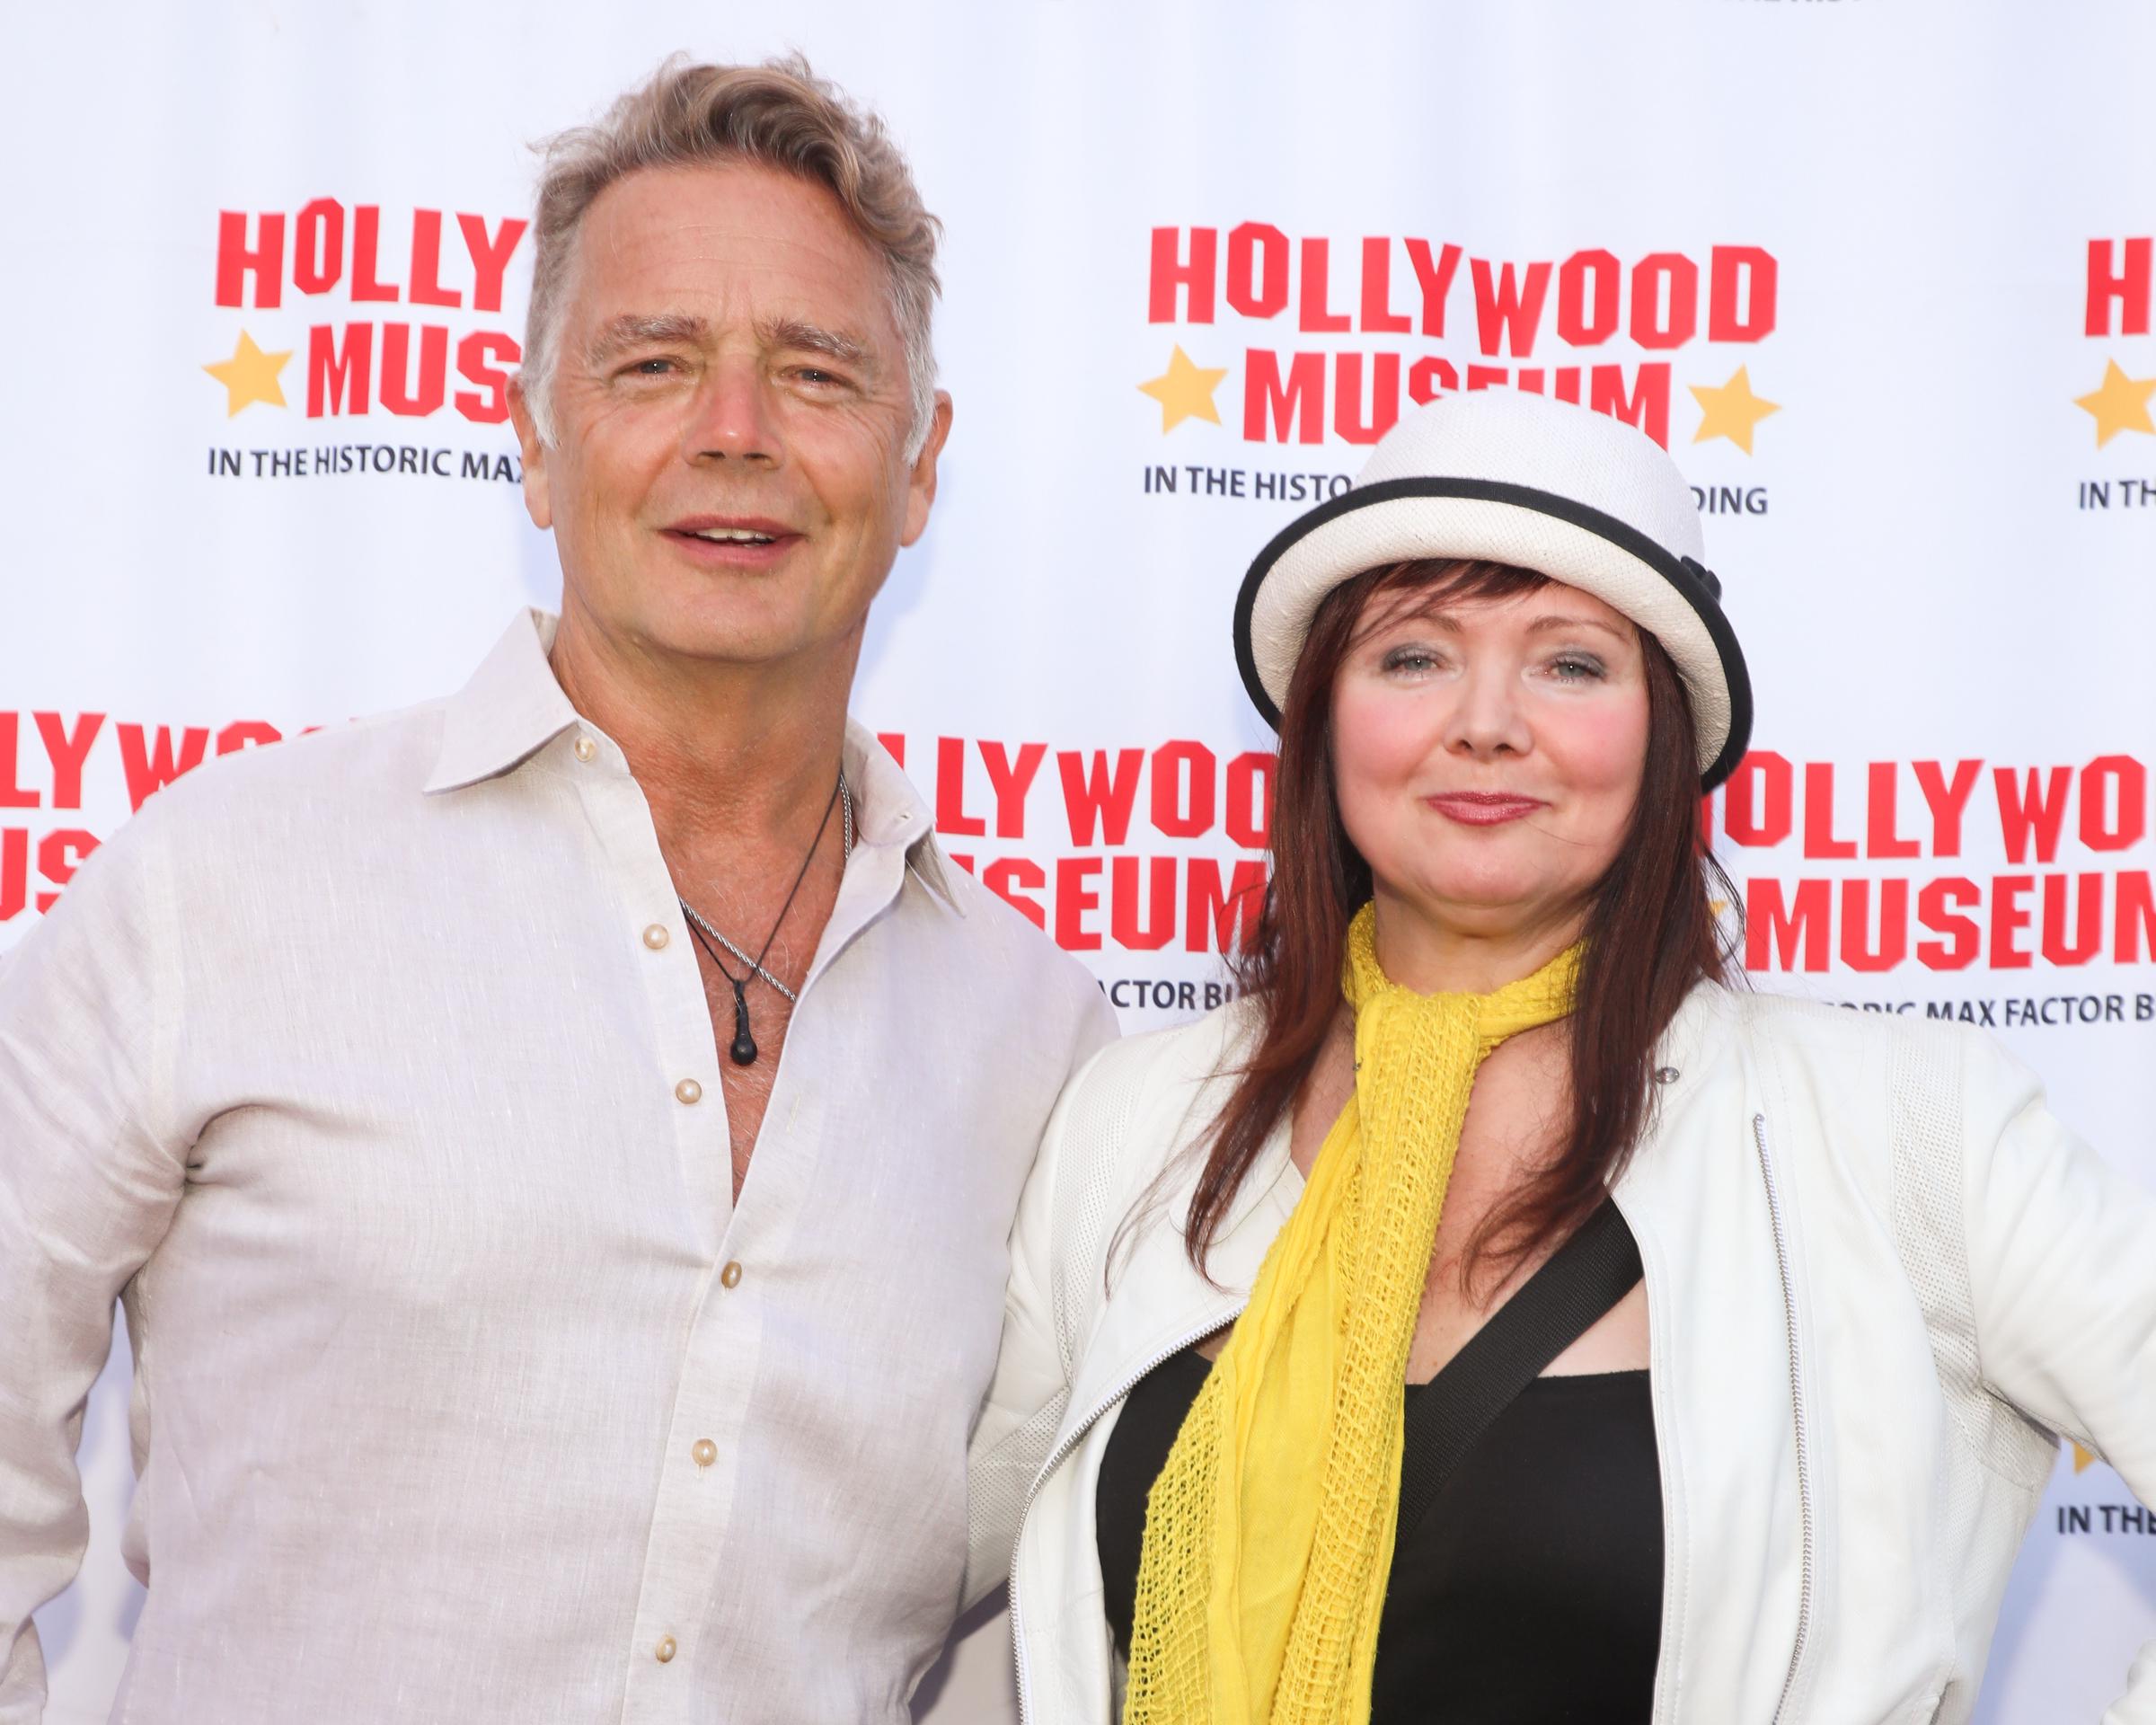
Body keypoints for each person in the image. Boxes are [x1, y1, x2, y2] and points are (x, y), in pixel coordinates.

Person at [0, 56, 1113, 1725]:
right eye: (653, 365)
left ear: (920, 465)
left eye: (816, 375)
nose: (733, 434)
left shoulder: (1046, 1044)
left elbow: (1018, 1633)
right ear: (533, 439)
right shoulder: (217, 890)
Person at [966, 389, 2156, 1722]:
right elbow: (957, 1588)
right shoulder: (1140, 1122)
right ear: (1324, 722)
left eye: (1570, 662)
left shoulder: (1909, 1133)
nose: (1486, 722)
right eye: (1414, 656)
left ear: (1663, 734)